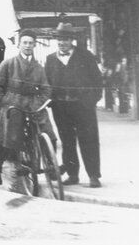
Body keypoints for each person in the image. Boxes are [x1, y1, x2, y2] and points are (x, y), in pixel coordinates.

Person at [0, 31, 51, 190]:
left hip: (31, 102)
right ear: (19, 44)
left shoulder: (39, 68)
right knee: (6, 131)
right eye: (25, 43)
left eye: (31, 43)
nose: (28, 46)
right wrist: (4, 101)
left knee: (46, 123)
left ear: (34, 45)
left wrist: (39, 102)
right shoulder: (8, 64)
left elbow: (45, 89)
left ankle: (50, 163)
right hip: (11, 102)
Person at [44, 22, 103, 188]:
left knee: (89, 139)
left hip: (83, 107)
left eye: (65, 39)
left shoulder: (86, 56)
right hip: (61, 108)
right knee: (67, 141)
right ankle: (72, 174)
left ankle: (93, 175)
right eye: (59, 40)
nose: (62, 43)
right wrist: (51, 102)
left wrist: (91, 101)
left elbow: (97, 81)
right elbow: (46, 83)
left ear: (72, 40)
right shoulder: (50, 60)